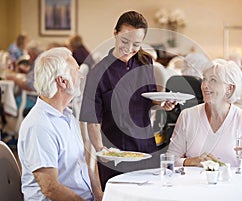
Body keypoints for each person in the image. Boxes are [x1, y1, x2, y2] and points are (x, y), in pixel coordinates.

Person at [79, 11, 175, 191]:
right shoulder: (98, 73)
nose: (129, 48)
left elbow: (148, 98)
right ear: (115, 33)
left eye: (136, 44)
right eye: (124, 41)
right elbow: (92, 121)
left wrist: (162, 103)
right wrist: (101, 149)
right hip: (116, 153)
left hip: (146, 147)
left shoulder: (145, 61)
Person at [17, 47, 102, 200]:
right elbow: (50, 188)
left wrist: (100, 196)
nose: (81, 76)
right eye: (77, 71)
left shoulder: (67, 115)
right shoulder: (39, 125)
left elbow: (82, 166)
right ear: (62, 81)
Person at [167, 59, 242, 169]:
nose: (205, 86)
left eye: (213, 80)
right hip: (194, 184)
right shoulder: (187, 116)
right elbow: (169, 161)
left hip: (231, 184)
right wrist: (192, 161)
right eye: (204, 79)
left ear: (229, 88)